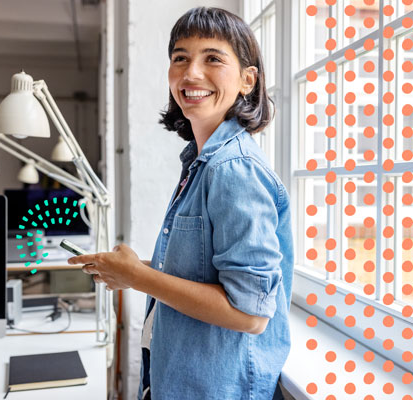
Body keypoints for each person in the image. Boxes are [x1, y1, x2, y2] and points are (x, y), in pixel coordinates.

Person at [68, 7, 293, 400]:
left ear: (247, 79)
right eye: (180, 58)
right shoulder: (202, 162)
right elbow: (203, 279)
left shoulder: (234, 169)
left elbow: (251, 314)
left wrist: (138, 277)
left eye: (213, 58)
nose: (191, 73)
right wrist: (133, 269)